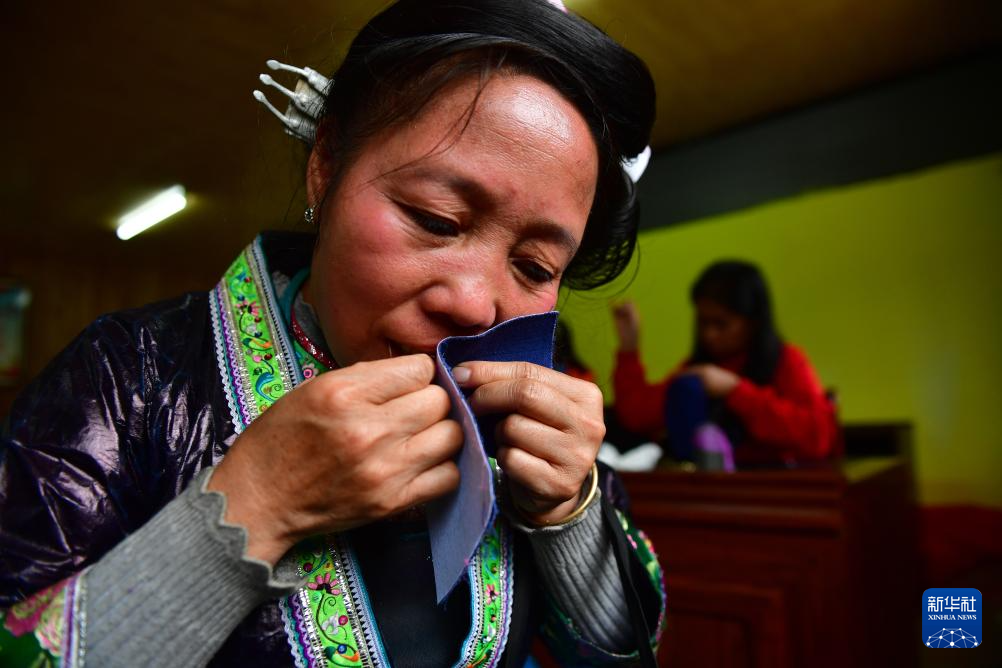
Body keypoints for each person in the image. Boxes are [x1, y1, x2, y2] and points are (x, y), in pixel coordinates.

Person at [0, 1, 665, 666]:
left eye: (536, 267)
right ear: (325, 165)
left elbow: (623, 650)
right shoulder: (131, 378)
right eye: (435, 219)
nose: (473, 305)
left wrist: (568, 518)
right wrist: (254, 506)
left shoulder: (526, 419)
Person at [612, 260, 839, 464]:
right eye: (703, 322)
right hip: (709, 490)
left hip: (780, 488)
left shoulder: (787, 360)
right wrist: (629, 347)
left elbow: (818, 438)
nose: (709, 334)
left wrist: (735, 390)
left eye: (721, 324)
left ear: (753, 322)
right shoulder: (699, 371)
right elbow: (638, 416)